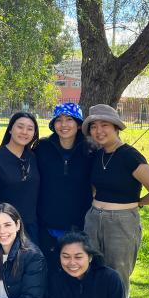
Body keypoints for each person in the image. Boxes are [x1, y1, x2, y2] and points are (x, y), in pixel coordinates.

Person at [82, 104, 149, 298]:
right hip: (94, 220)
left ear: (115, 128)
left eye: (104, 125)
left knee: (118, 276)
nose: (99, 131)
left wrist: (137, 204)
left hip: (121, 222)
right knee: (91, 270)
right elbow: (95, 185)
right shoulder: (98, 155)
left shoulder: (130, 156)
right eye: (94, 126)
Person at [35, 103, 93, 262]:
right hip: (47, 225)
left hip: (80, 226)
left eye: (69, 119)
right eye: (59, 120)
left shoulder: (90, 150)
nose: (64, 124)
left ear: (79, 124)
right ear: (53, 124)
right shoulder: (42, 148)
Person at [0, 112, 41, 244]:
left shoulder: (34, 157)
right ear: (10, 129)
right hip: (3, 230)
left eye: (30, 129)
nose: (24, 132)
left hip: (30, 228)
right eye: (20, 127)